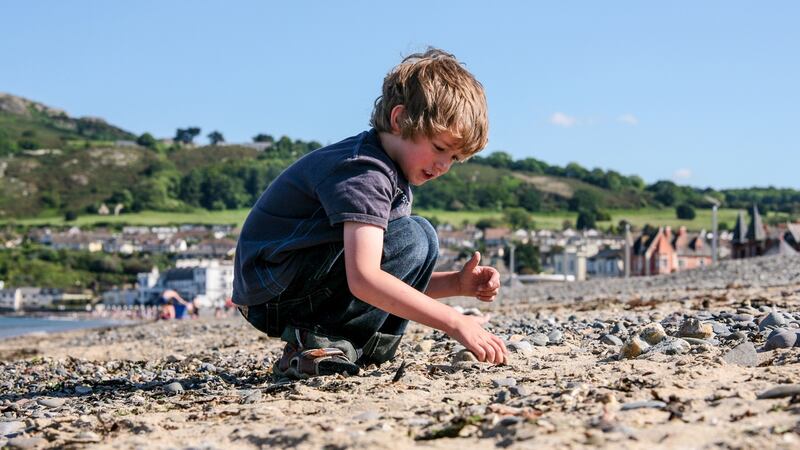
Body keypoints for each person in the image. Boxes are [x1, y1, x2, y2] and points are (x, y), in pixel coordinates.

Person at [233, 48, 508, 379]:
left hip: (289, 288)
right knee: (414, 236)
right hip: (274, 293)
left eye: (454, 158)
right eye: (439, 148)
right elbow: (364, 278)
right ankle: (316, 341)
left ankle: (348, 348)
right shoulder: (365, 171)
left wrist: (456, 283)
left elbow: (384, 278)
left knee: (420, 237)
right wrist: (454, 321)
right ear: (399, 120)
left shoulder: (391, 173)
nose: (443, 166)